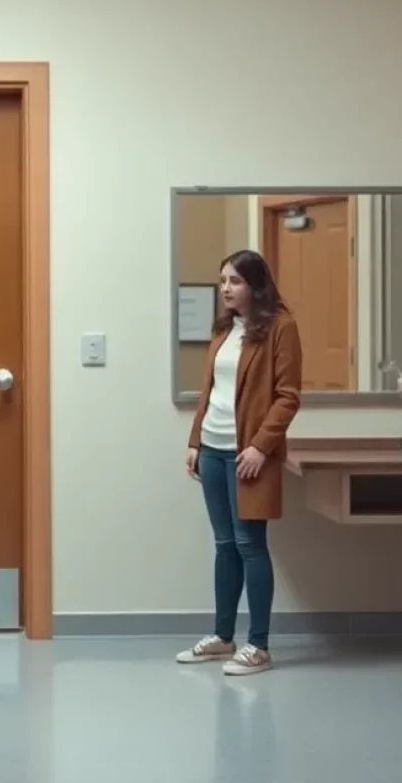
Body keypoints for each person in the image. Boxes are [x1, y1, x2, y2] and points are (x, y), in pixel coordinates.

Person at [179, 249, 302, 676]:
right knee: (224, 545)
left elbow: (288, 397)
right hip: (212, 450)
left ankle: (259, 646)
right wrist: (195, 440)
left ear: (255, 284)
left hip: (250, 455)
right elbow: (208, 389)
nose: (226, 288)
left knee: (251, 545)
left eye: (234, 281)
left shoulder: (281, 328)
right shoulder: (224, 328)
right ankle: (223, 636)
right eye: (222, 281)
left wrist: (261, 447)